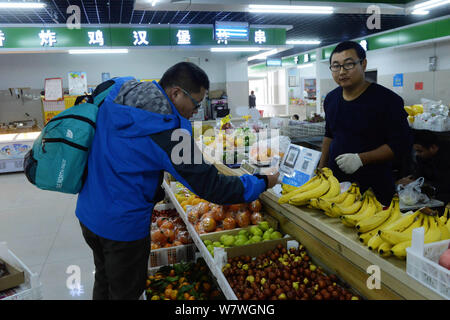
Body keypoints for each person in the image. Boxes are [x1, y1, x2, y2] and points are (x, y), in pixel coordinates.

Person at [76, 62, 279, 300]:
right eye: (195, 103)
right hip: (123, 226)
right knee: (125, 292)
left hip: (89, 213)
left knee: (104, 279)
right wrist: (262, 182)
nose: (197, 110)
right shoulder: (169, 131)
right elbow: (211, 186)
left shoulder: (120, 91)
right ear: (175, 93)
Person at [318, 41, 412, 205]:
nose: (342, 71)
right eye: (336, 66)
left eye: (348, 65)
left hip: (374, 190)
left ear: (364, 64)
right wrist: (321, 168)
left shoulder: (387, 101)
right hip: (335, 186)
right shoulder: (331, 99)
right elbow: (329, 135)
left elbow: (401, 144)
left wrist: (361, 159)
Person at [397, 130, 450, 204]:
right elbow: (420, 174)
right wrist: (411, 181)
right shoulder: (422, 157)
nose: (417, 154)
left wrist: (422, 185)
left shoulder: (446, 158)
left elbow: (444, 185)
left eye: (420, 151)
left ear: (433, 147)